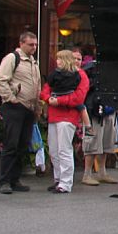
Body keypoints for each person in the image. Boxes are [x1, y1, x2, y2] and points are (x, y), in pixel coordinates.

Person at [0, 31, 41, 194]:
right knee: (11, 144)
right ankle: (5, 181)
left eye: (35, 44)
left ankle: (15, 179)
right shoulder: (12, 58)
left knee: (22, 145)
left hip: (28, 108)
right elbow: (0, 79)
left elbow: (37, 85)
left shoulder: (33, 62)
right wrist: (10, 98)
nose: (34, 47)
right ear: (21, 43)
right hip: (15, 107)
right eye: (30, 44)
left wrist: (37, 107)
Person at [40, 49, 89, 193]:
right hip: (54, 115)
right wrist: (48, 98)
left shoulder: (81, 75)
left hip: (68, 116)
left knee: (64, 149)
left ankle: (65, 183)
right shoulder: (56, 74)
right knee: (54, 150)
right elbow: (45, 90)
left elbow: (79, 98)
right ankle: (58, 179)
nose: (57, 61)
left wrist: (58, 100)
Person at [78, 53, 118, 186]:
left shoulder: (115, 69)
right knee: (92, 143)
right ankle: (87, 174)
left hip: (109, 109)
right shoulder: (91, 68)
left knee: (106, 143)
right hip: (94, 110)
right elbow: (85, 88)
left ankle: (102, 172)